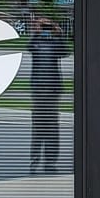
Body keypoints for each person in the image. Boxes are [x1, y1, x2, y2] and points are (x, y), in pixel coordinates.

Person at [28, 15, 66, 174]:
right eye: (42, 26)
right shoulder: (35, 44)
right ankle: (35, 161)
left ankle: (49, 162)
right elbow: (29, 46)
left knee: (51, 128)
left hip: (51, 90)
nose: (44, 29)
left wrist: (59, 33)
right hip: (39, 90)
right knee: (38, 127)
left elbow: (65, 52)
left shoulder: (54, 43)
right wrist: (36, 32)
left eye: (46, 27)